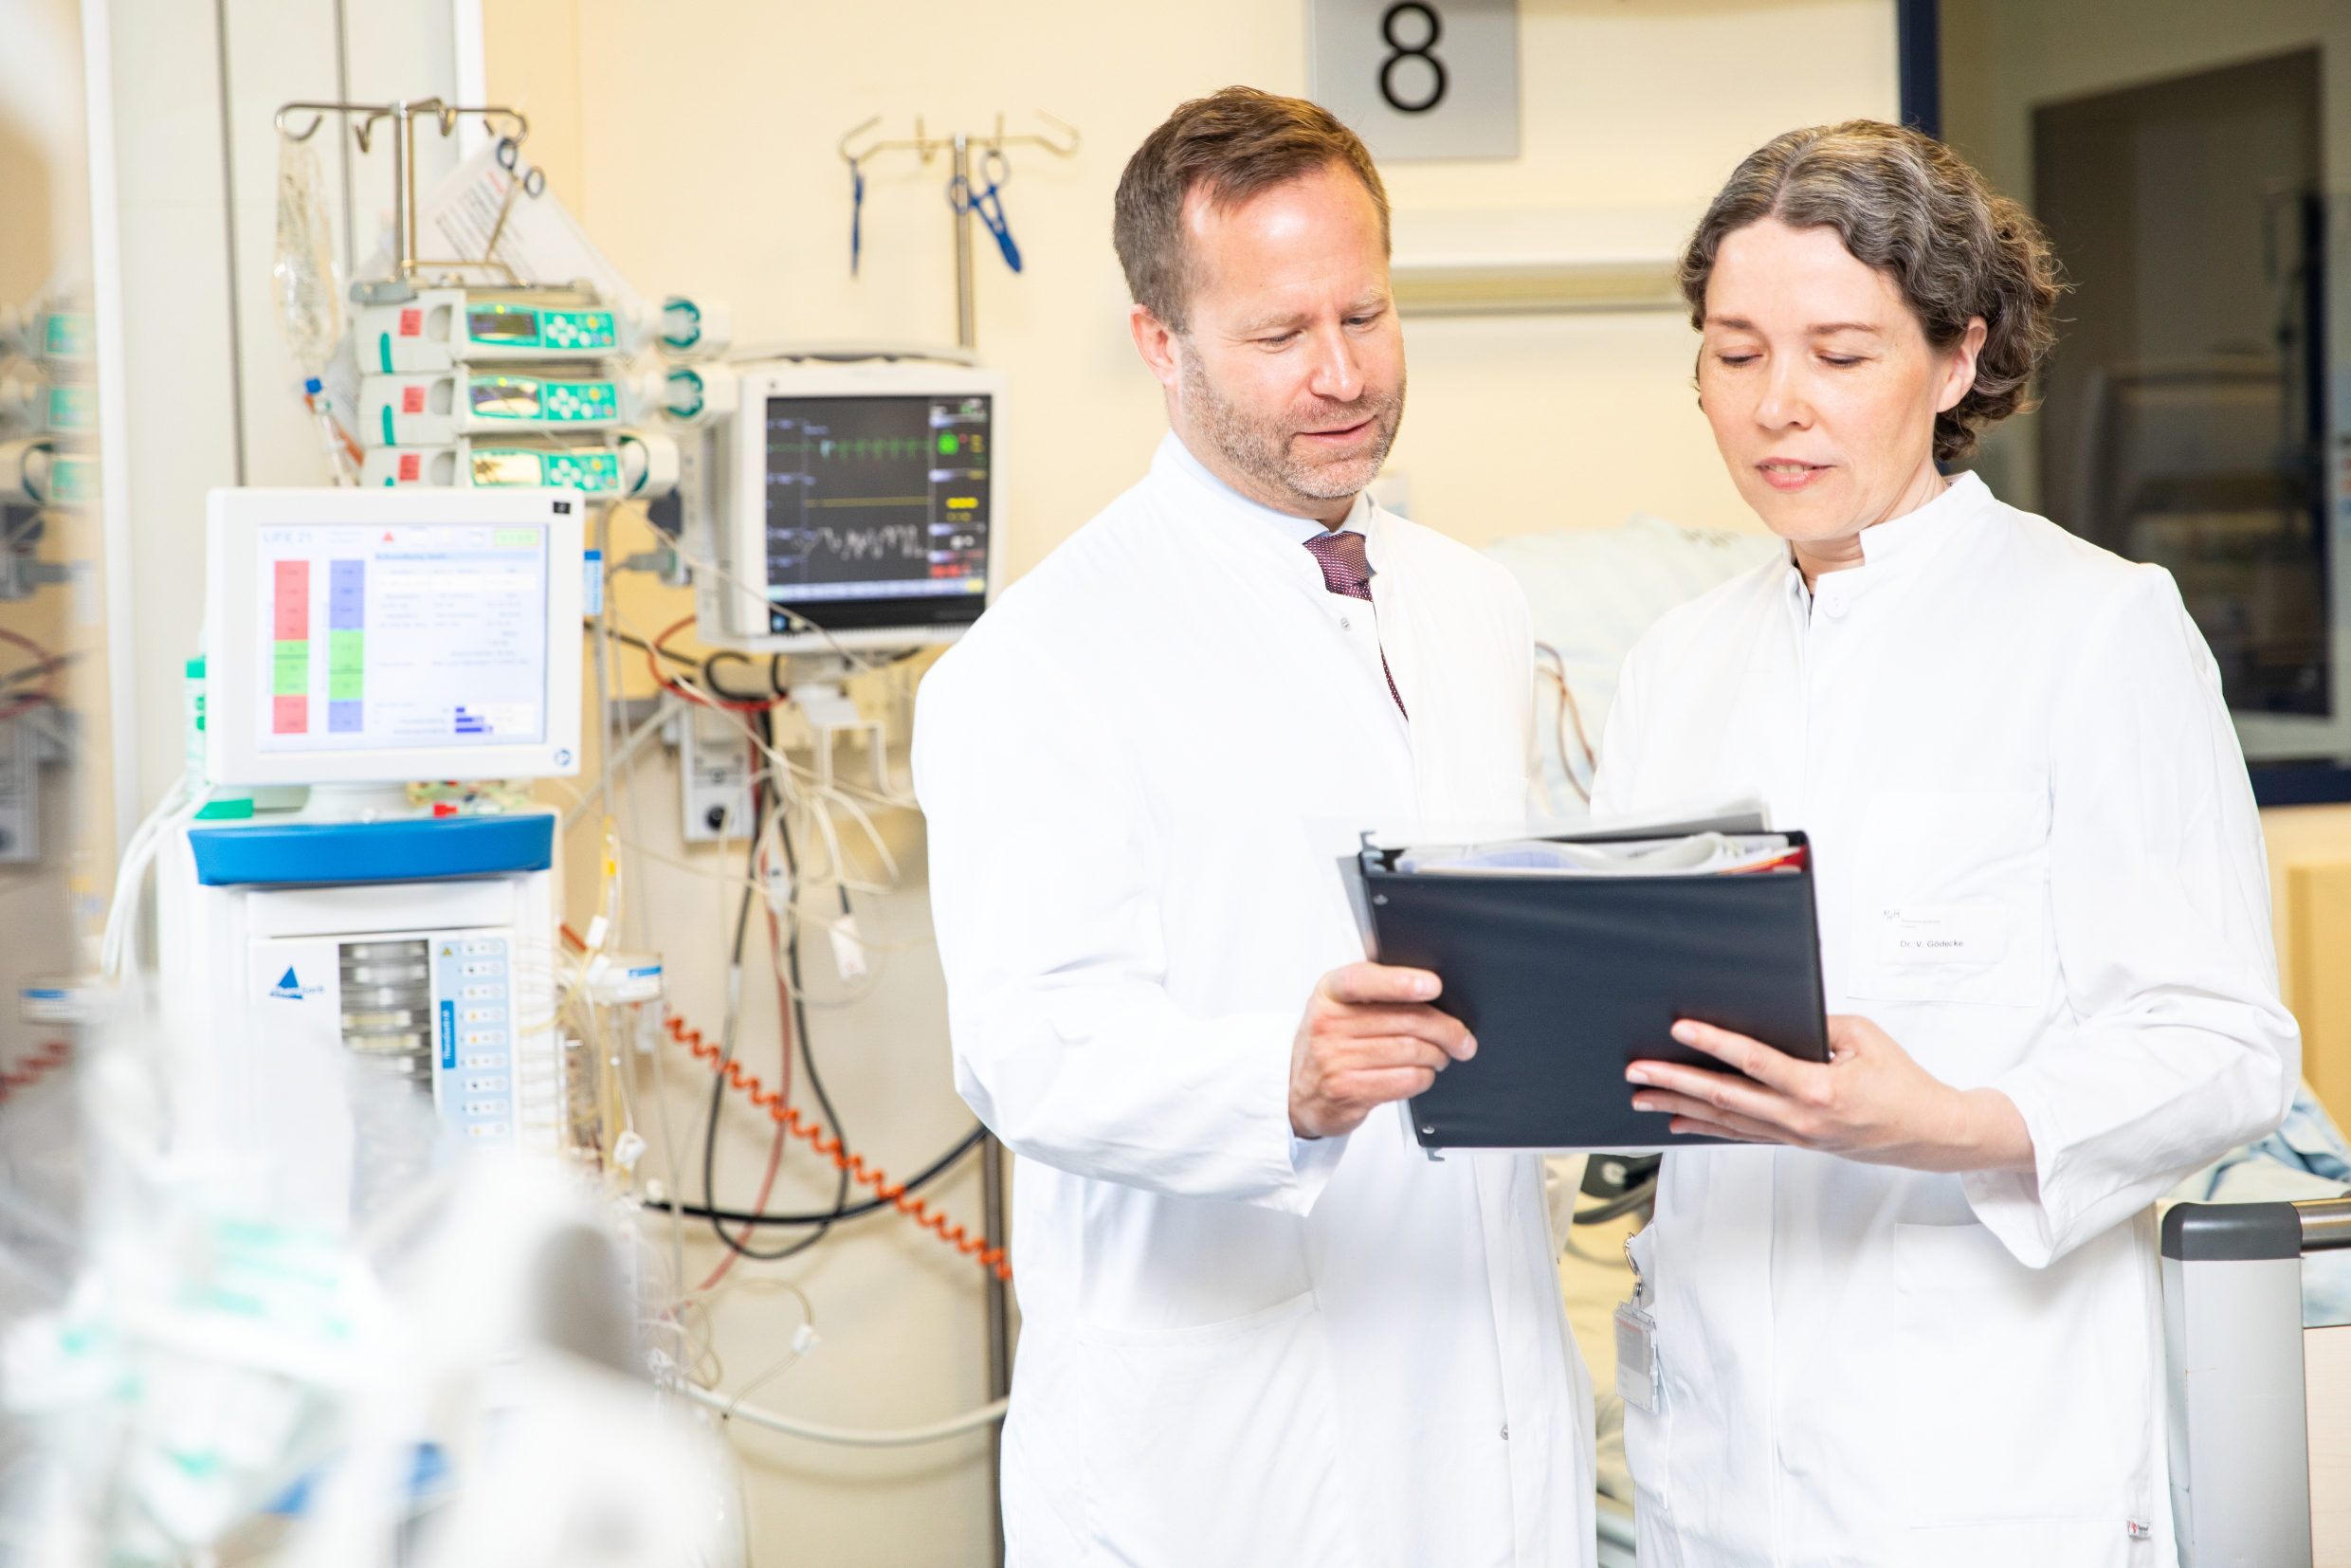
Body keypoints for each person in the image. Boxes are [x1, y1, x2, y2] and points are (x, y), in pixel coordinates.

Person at [1590, 120, 2300, 1566]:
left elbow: (2226, 1040)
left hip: (1981, 1455)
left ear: (1960, 357)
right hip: (1716, 1452)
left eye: (1840, 355)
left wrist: (1951, 1123)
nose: (1779, 405)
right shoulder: (1677, 663)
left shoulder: (2095, 629)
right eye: (1734, 354)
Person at [915, 87, 1593, 1568]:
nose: (1342, 374)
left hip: (1482, 1381)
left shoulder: (1472, 604)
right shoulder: (1038, 662)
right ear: (1161, 344)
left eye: (1367, 313)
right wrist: (1276, 1074)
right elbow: (1029, 1046)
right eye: (1280, 336)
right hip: (1223, 1455)